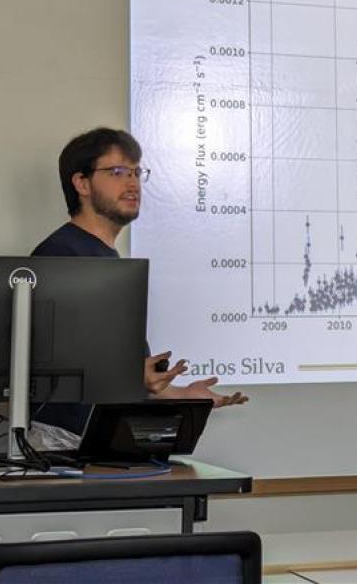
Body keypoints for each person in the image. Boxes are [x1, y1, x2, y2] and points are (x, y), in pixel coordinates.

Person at [31, 127, 247, 442]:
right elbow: (59, 366)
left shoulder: (104, 257)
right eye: (117, 171)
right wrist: (135, 378)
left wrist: (181, 394)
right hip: (63, 442)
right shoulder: (62, 255)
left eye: (136, 172)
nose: (132, 183)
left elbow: (105, 366)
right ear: (82, 183)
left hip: (99, 437)